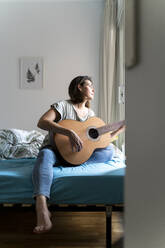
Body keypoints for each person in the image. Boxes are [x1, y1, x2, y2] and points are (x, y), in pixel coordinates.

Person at [32, 75, 125, 234]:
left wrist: (118, 129)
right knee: (44, 156)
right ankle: (42, 207)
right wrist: (68, 132)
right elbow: (42, 122)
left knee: (109, 150)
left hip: (77, 155)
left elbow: (97, 141)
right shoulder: (62, 105)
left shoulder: (91, 114)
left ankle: (75, 160)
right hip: (55, 150)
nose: (94, 89)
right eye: (90, 86)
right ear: (79, 87)